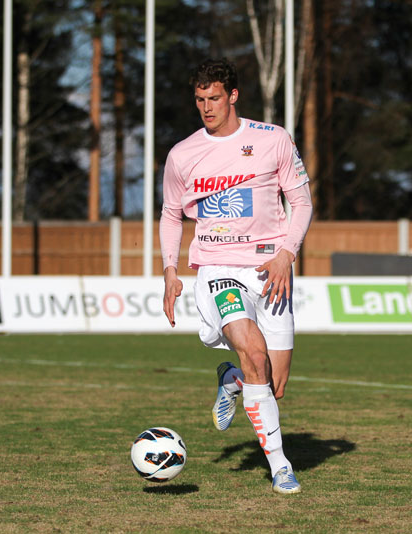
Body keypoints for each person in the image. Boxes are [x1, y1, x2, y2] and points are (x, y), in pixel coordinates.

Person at [160, 59, 313, 494]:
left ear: (233, 96)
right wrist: (171, 270)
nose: (206, 107)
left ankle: (231, 381)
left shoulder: (273, 139)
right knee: (253, 348)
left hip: (272, 268)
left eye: (213, 98)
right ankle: (280, 466)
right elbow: (171, 215)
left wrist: (287, 254)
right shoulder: (182, 155)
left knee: (273, 383)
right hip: (218, 267)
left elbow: (301, 203)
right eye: (199, 99)